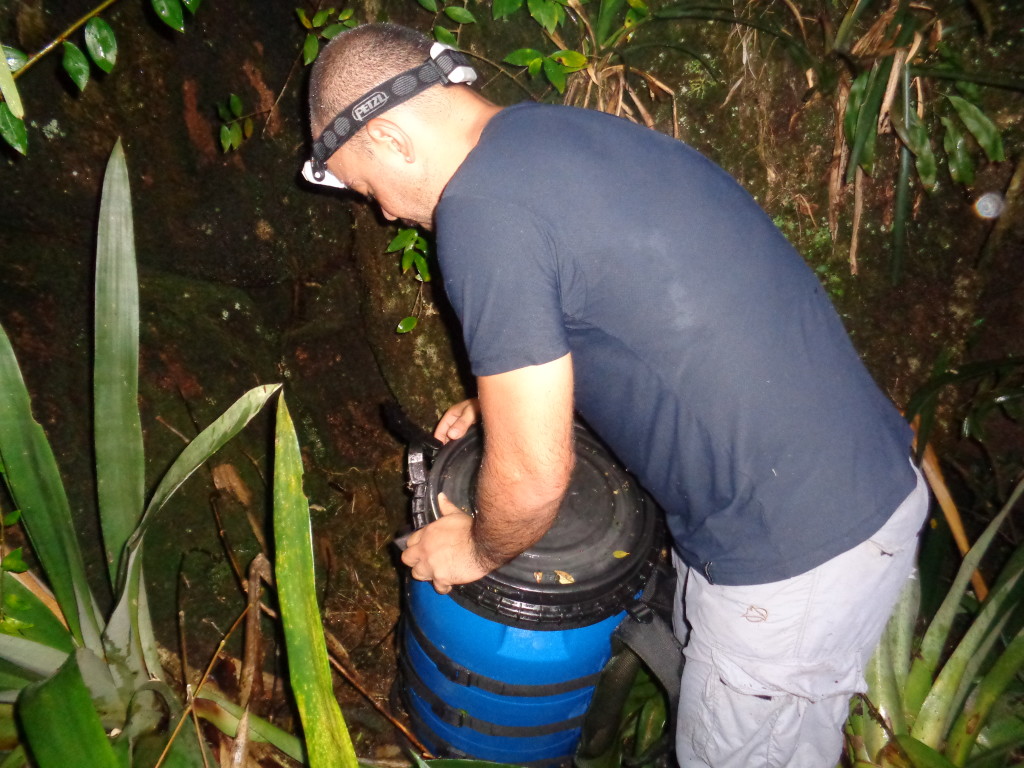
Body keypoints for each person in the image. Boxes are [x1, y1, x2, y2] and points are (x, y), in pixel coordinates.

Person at [304, 23, 930, 768]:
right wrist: (508, 401)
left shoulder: (481, 211)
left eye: (370, 187)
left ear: (393, 140)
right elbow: (639, 311)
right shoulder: (553, 135)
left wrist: (471, 548)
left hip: (789, 558)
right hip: (855, 484)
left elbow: (534, 480)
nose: (384, 212)